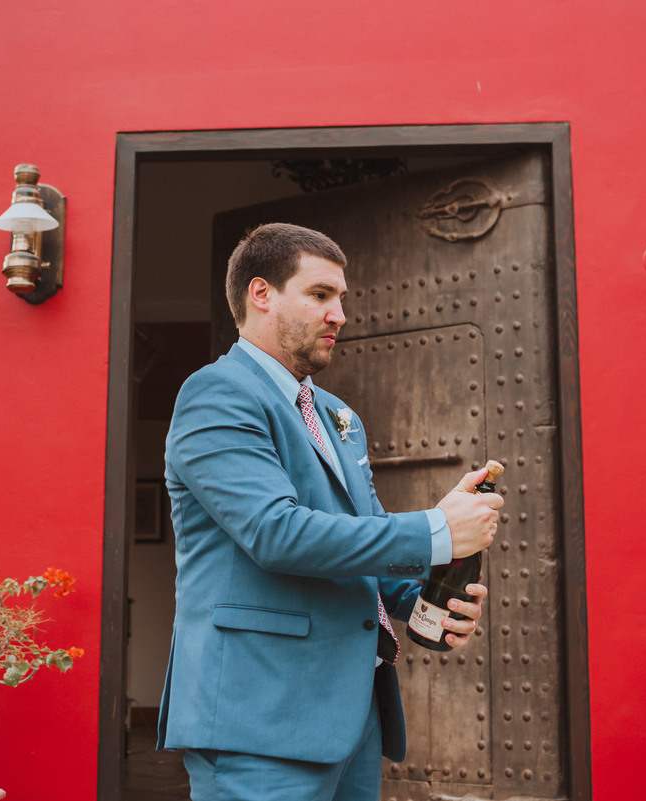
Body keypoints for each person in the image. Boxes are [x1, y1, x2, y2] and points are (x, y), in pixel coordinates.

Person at [157, 222, 503, 801]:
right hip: (259, 719)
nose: (339, 314)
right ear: (261, 294)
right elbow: (277, 533)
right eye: (320, 295)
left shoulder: (336, 413)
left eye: (341, 298)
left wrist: (420, 603)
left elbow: (357, 542)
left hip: (352, 719)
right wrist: (438, 530)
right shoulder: (215, 393)